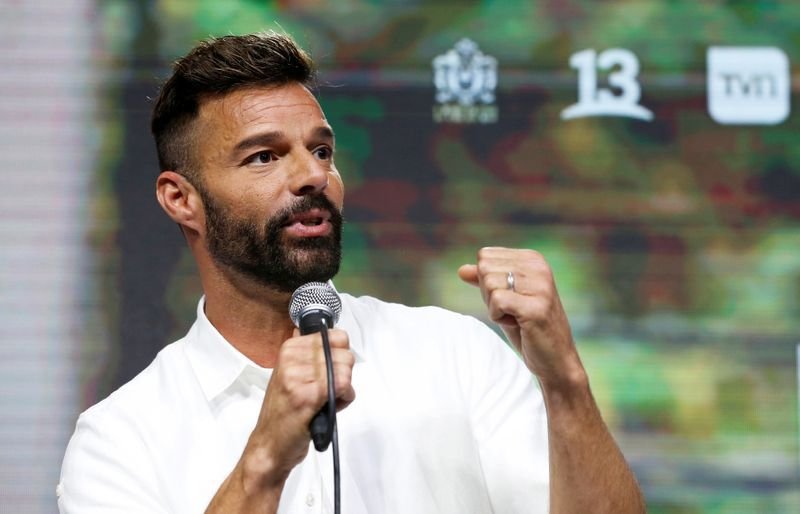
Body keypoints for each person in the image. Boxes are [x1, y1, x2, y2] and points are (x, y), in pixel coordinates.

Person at [58, 32, 646, 514]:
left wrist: (565, 380)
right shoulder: (121, 437)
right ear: (180, 199)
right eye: (264, 156)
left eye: (321, 151)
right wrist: (264, 459)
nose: (312, 176)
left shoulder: (457, 355)